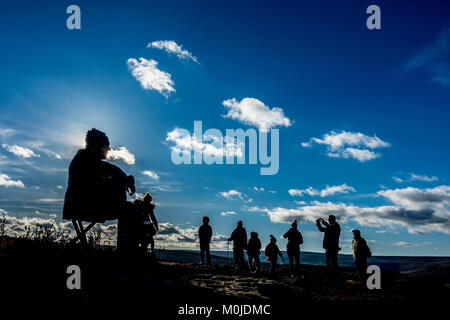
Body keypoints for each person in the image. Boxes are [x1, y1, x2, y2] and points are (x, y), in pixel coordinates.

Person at [63, 129, 135, 244]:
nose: (109, 149)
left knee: (127, 206)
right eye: (106, 146)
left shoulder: (85, 159)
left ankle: (125, 248)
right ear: (97, 145)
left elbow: (107, 172)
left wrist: (123, 181)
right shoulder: (85, 158)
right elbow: (110, 169)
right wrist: (124, 181)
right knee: (129, 209)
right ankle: (125, 250)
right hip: (83, 206)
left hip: (79, 205)